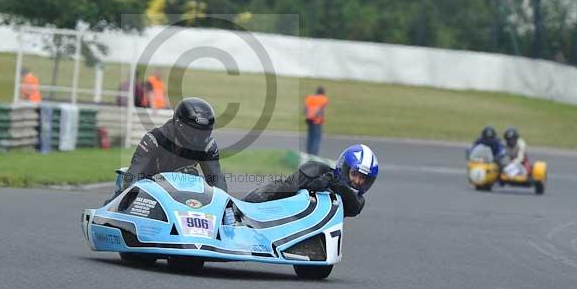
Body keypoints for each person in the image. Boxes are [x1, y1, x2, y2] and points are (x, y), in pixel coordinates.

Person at [107, 97, 227, 202]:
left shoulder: (207, 146)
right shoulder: (155, 139)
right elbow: (132, 178)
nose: (199, 138)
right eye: (194, 132)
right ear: (179, 125)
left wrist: (223, 206)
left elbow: (217, 181)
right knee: (123, 199)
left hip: (181, 193)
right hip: (149, 193)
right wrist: (133, 196)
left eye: (204, 132)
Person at [243, 143, 378, 218]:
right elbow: (290, 186)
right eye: (355, 174)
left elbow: (353, 207)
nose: (358, 181)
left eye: (362, 178)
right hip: (283, 214)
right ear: (344, 168)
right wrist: (314, 183)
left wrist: (336, 183)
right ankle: (244, 207)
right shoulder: (320, 171)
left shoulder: (358, 200)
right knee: (287, 186)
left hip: (312, 230)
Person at [304, 86, 329, 155]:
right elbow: (321, 110)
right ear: (323, 92)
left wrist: (307, 116)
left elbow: (305, 108)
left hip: (309, 119)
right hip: (317, 120)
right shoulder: (323, 99)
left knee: (310, 137)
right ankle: (314, 155)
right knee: (317, 138)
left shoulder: (310, 97)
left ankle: (308, 153)